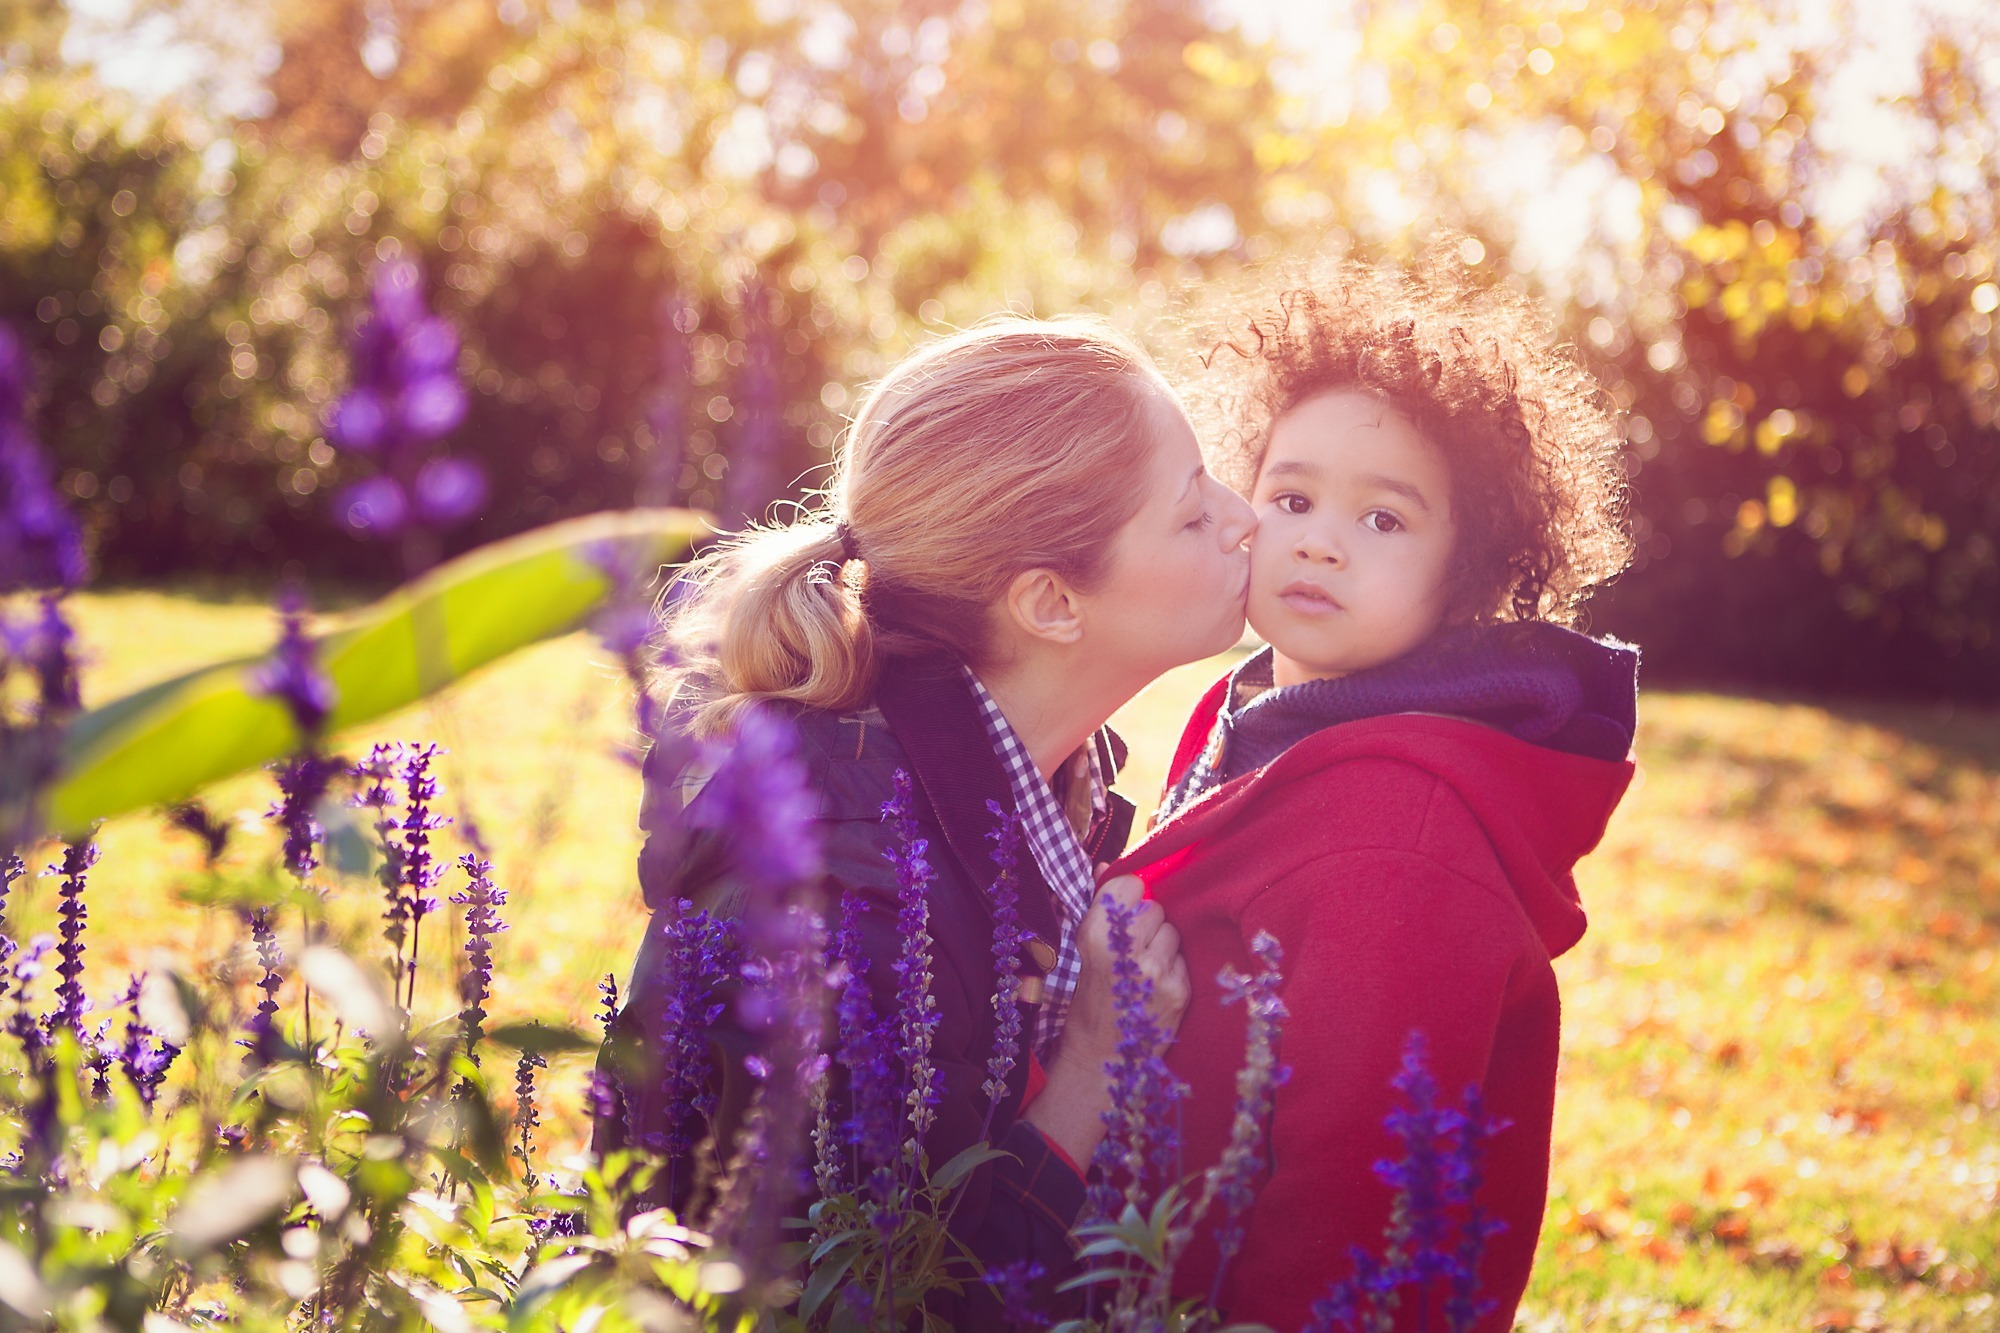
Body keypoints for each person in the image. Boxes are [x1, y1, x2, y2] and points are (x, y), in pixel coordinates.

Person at [592, 315, 1256, 1320]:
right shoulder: (839, 882)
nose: (1242, 516)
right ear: (1051, 604)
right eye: (1189, 507)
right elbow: (875, 1299)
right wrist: (1089, 1065)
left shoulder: (1051, 783)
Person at [1109, 254, 1638, 1331]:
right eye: (1291, 496)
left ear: (1470, 571)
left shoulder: (1407, 835)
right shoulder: (1252, 707)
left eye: (1382, 520)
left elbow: (1350, 1190)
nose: (1315, 538)